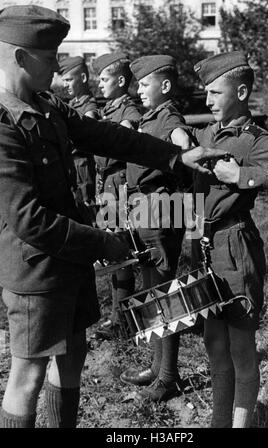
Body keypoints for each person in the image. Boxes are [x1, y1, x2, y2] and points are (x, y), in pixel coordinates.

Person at [0, 5, 225, 428]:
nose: (57, 69)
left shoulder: (47, 104)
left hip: (69, 260)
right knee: (27, 375)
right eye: (50, 59)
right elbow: (27, 218)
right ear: (20, 58)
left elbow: (107, 136)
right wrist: (102, 242)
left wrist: (177, 157)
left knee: (72, 356)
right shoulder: (4, 122)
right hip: (35, 270)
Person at [190, 51, 268, 428]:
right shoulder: (208, 133)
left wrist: (242, 176)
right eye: (206, 93)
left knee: (240, 348)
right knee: (214, 344)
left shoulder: (254, 139)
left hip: (235, 247)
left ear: (239, 92)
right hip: (206, 248)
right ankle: (221, 421)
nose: (207, 100)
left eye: (215, 93)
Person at [119, 55, 192, 402]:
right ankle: (156, 364)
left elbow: (184, 145)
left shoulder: (169, 117)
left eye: (144, 84)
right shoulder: (151, 117)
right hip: (144, 209)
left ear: (164, 87)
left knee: (164, 294)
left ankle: (168, 375)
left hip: (162, 211)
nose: (138, 90)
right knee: (152, 294)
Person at [93, 52, 141, 330]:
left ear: (121, 80)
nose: (100, 84)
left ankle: (123, 320)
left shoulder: (128, 112)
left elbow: (121, 146)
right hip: (108, 187)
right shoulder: (110, 110)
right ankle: (117, 317)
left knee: (122, 255)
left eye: (104, 78)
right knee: (114, 254)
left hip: (121, 189)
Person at [59, 56, 97, 219]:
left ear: (82, 78)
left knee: (87, 210)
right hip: (71, 166)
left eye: (68, 80)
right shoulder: (71, 105)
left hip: (82, 167)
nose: (64, 85)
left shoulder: (89, 106)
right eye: (64, 80)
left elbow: (89, 133)